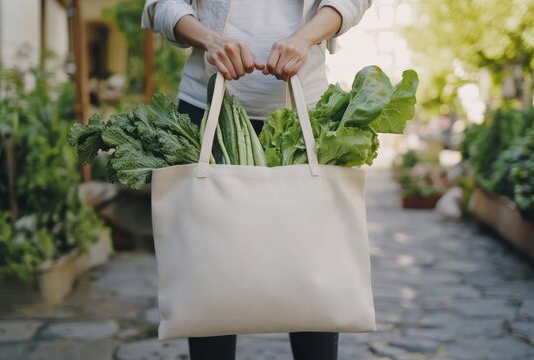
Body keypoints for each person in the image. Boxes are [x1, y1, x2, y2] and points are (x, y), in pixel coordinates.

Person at [141, 0, 372, 359]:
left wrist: (303, 39)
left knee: (314, 279)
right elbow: (159, 5)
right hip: (207, 112)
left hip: (304, 114)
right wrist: (211, 40)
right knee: (210, 281)